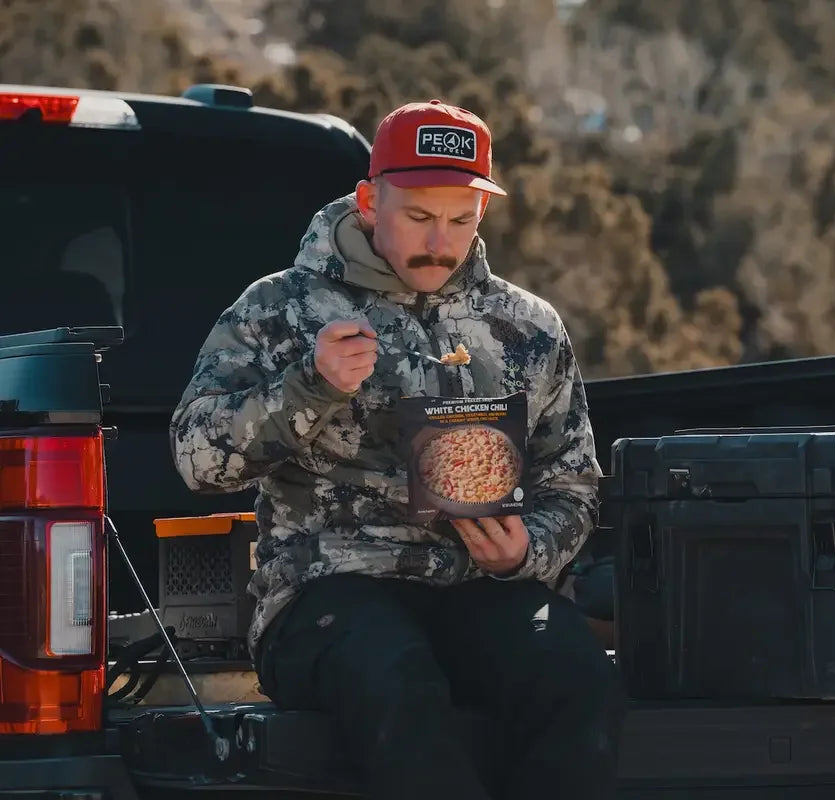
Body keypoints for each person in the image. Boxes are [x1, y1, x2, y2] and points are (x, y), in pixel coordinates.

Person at [169, 99, 625, 800]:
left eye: (460, 219)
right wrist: (308, 388)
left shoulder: (527, 327)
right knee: (395, 676)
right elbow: (198, 460)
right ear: (369, 200)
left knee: (575, 672)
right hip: (324, 594)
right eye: (418, 217)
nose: (440, 242)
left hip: (479, 590)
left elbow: (574, 486)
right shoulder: (280, 310)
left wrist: (525, 551)